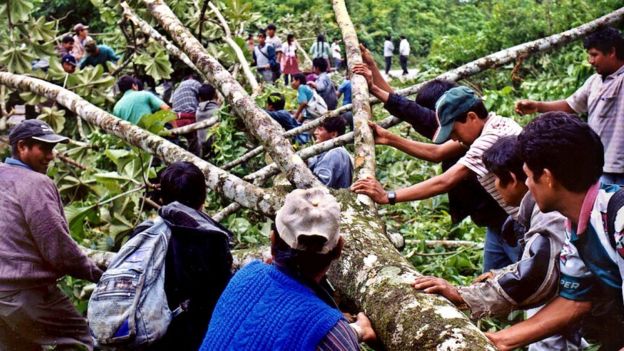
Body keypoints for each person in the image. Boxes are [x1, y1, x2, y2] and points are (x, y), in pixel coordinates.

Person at [413, 136, 582, 351]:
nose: (529, 184)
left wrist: (465, 295)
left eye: (530, 176)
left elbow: (535, 276)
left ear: (512, 179)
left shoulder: (548, 214)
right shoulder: (541, 209)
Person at [486, 112, 624, 351]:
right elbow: (574, 300)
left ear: (547, 178)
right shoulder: (577, 222)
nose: (527, 185)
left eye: (528, 176)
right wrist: (501, 339)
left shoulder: (620, 222)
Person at [351, 86, 523, 271]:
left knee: (527, 280)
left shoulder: (489, 140)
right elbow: (437, 152)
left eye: (454, 132)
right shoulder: (495, 124)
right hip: (502, 223)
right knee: (493, 280)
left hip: (522, 222)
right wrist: (389, 138)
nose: (455, 139)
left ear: (471, 117)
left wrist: (388, 196)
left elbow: (446, 181)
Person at [200, 187, 376, 351]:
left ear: (273, 240)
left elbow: (270, 329)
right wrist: (351, 333)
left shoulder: (245, 275)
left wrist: (355, 331)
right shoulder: (332, 333)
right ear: (338, 249)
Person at [0, 120, 103, 350]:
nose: (51, 156)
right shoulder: (36, 183)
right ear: (22, 147)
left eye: (52, 149)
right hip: (28, 295)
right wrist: (99, 275)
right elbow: (57, 247)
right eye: (44, 149)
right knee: (87, 341)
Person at [137, 162, 233, 351]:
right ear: (203, 197)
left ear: (162, 198)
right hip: (190, 337)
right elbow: (223, 296)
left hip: (145, 332)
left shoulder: (143, 232)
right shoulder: (210, 238)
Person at [515, 27, 624, 186]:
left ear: (612, 52)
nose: (590, 61)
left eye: (594, 55)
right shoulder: (594, 81)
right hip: (600, 166)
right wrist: (537, 106)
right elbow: (570, 105)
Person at [309, 116, 353, 189]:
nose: (315, 132)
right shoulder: (329, 150)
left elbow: (319, 184)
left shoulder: (335, 153)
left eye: (320, 129)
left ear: (333, 134)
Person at [171, 73, 203, 156]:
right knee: (196, 144)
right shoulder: (194, 83)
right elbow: (205, 94)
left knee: (189, 143)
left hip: (176, 120)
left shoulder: (177, 89)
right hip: (190, 117)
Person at [196, 84, 220, 157]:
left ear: (200, 98)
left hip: (202, 146)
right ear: (214, 95)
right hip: (216, 146)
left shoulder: (198, 112)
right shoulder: (217, 111)